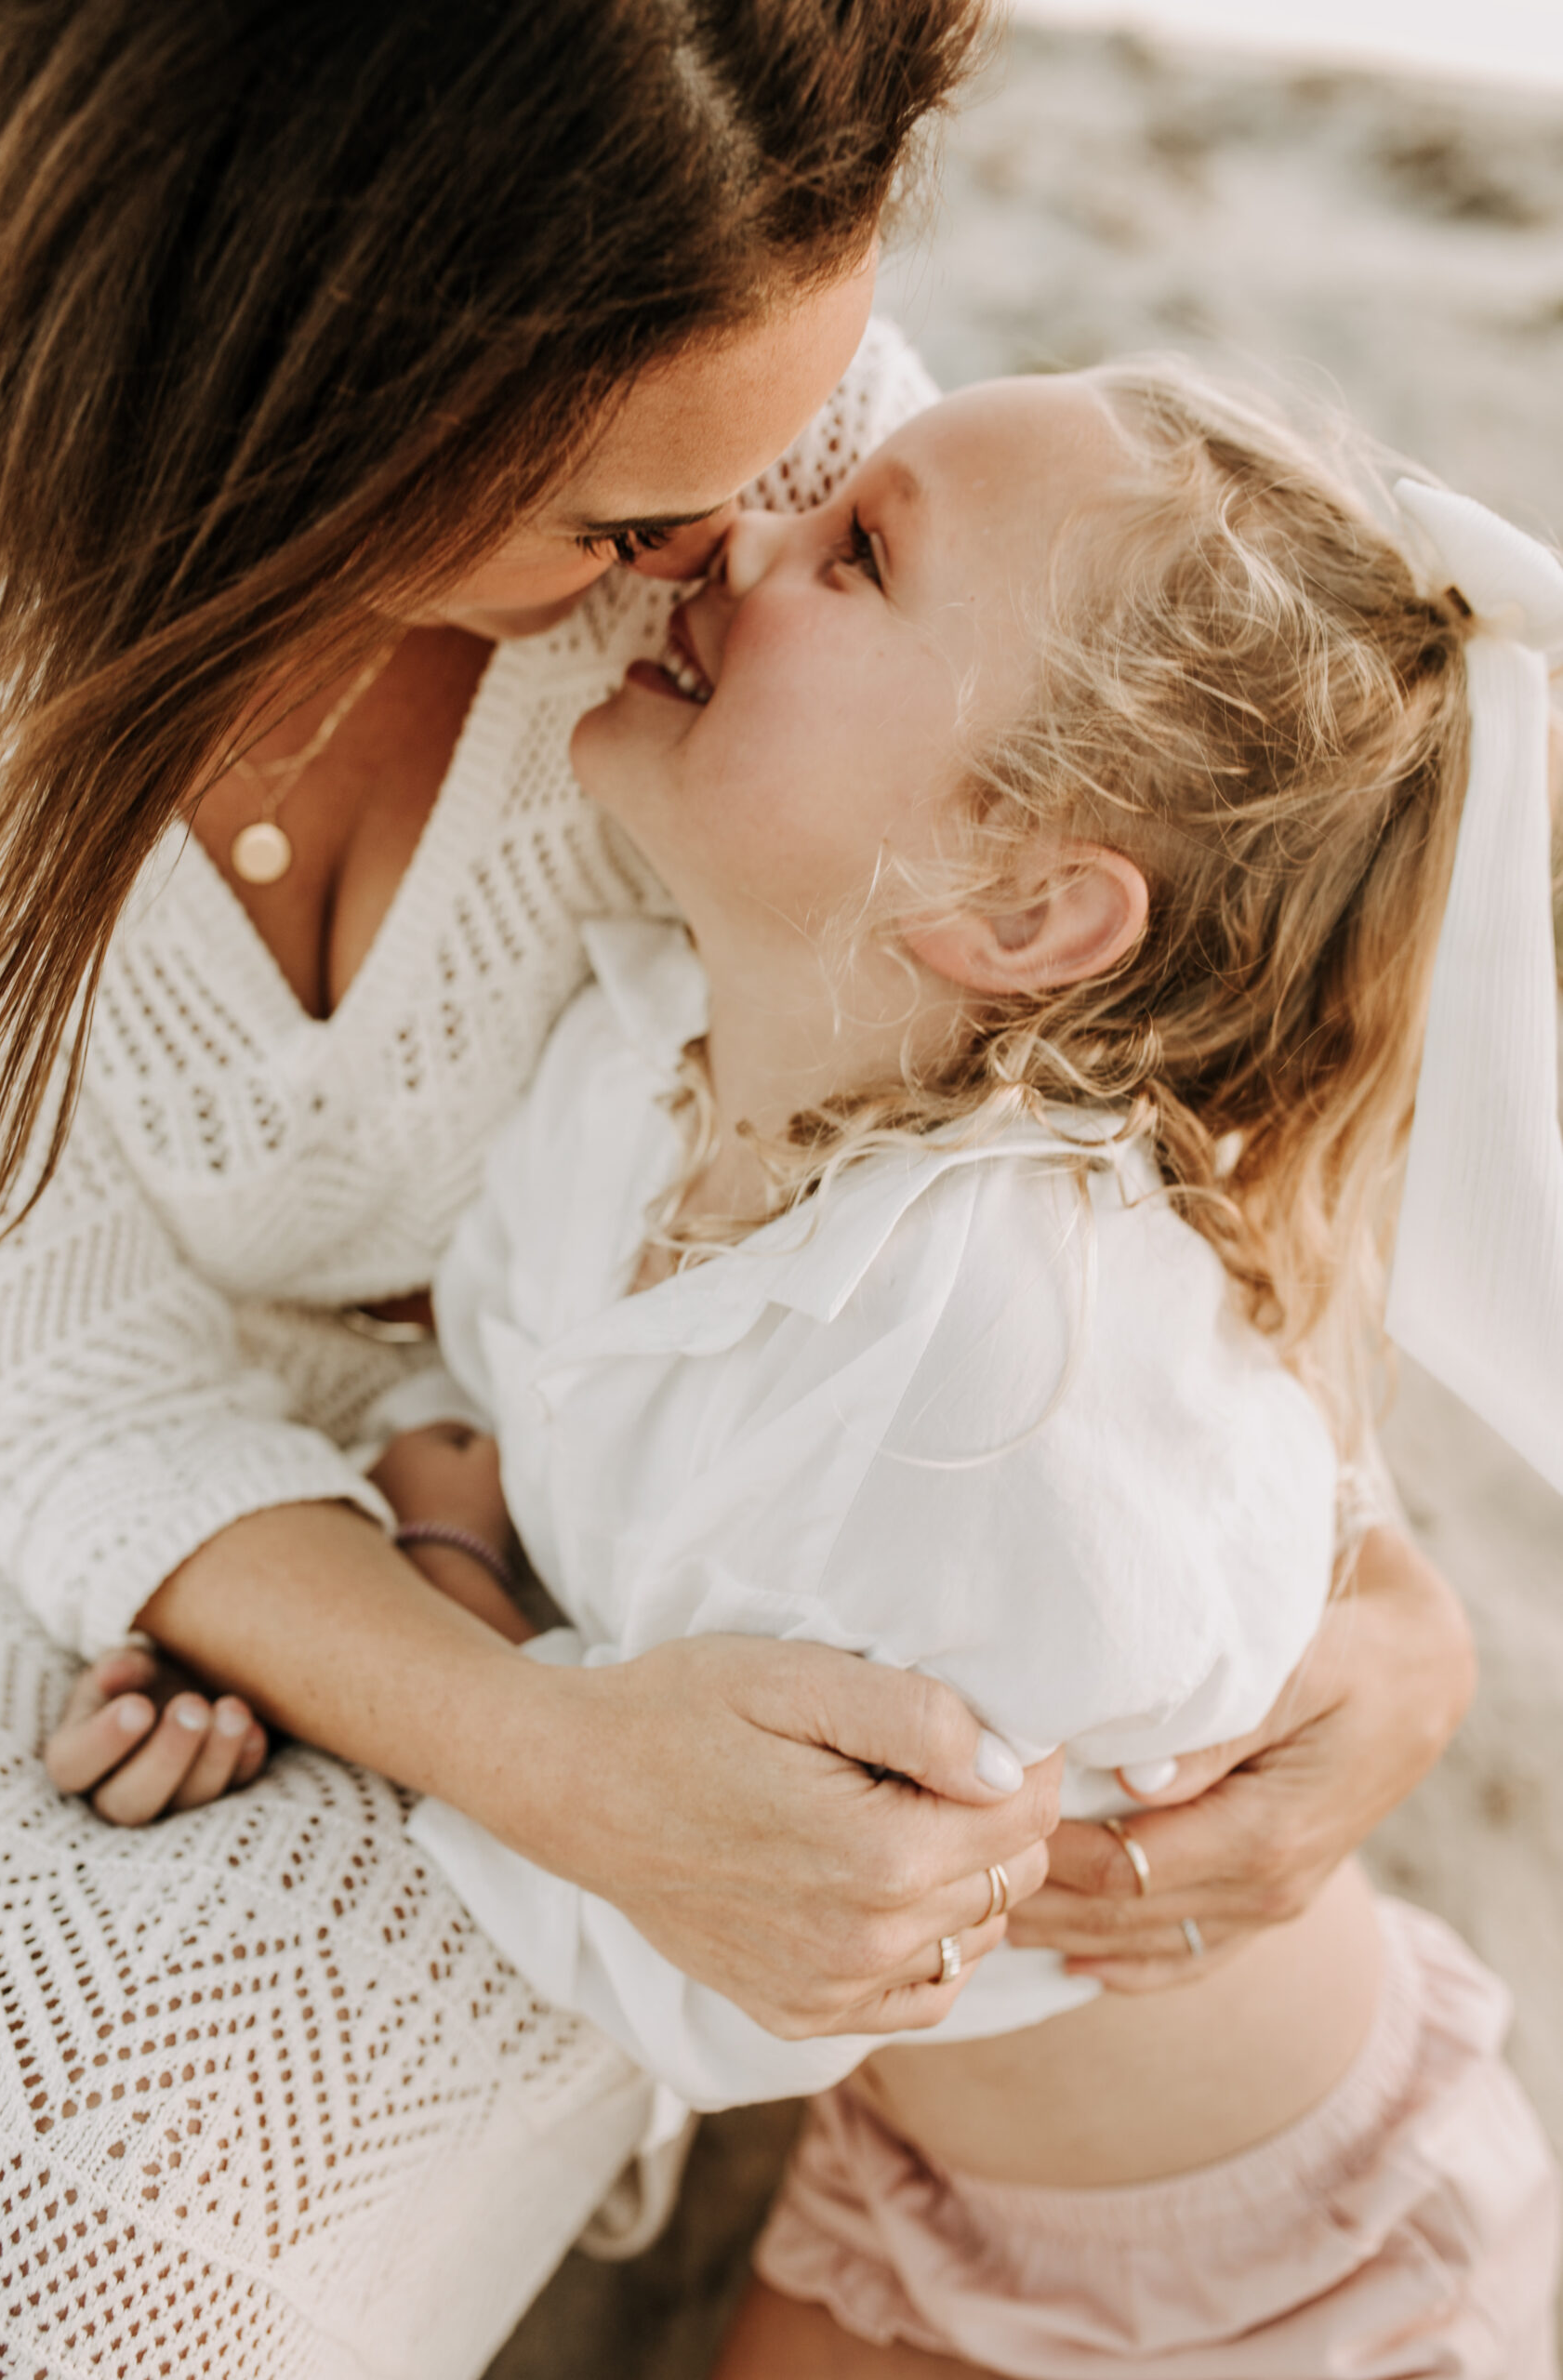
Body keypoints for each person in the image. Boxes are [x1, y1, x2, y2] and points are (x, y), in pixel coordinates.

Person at [0, 1, 1472, 2371]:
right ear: (296, 385)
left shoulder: (780, 527)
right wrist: (458, 1643)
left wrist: (1378, 1591)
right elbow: (79, 1370)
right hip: (296, 1581)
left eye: (808, 477)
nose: (716, 550)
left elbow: (1132, 1096)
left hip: (1159, 2187)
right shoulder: (645, 1056)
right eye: (610, 520)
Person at [371, 364, 1561, 2377]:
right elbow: (494, 1380)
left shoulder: (990, 1384)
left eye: (853, 554)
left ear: (1019, 906)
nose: (732, 537)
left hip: (1286, 2267)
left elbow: (737, 1959)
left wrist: (449, 1588)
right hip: (916, 2174)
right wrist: (446, 1503)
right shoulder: (637, 1051)